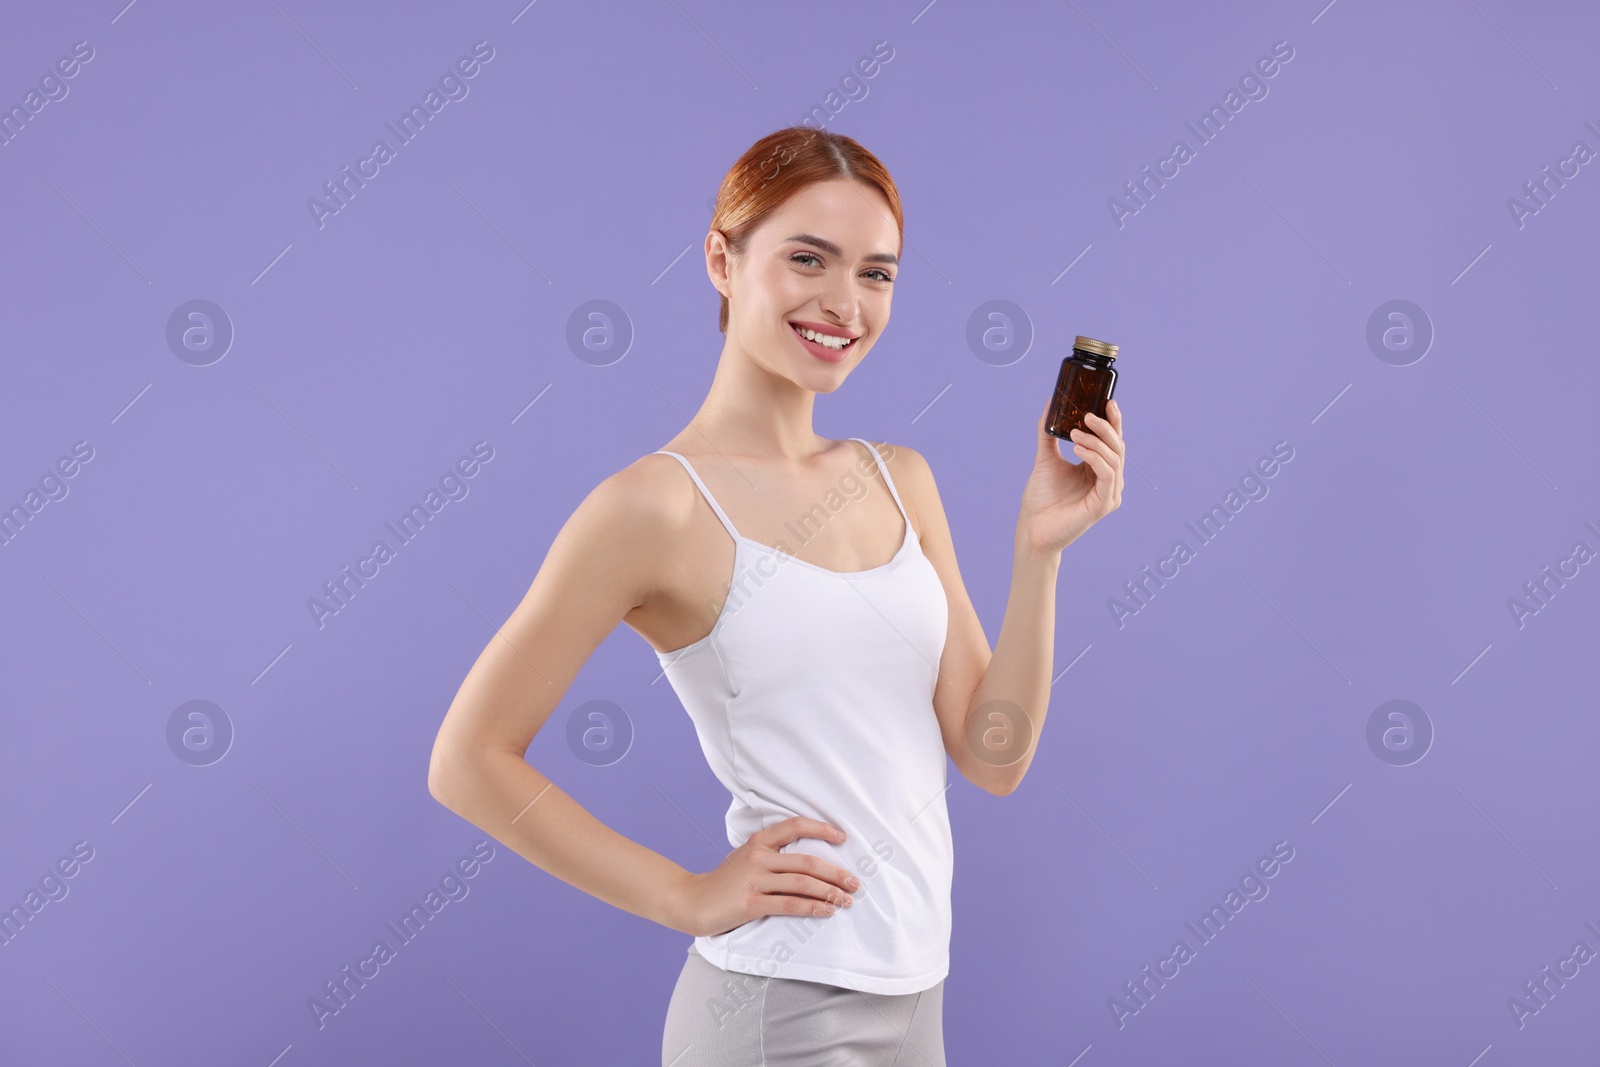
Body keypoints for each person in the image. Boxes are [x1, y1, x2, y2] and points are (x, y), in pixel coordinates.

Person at [427, 125, 1126, 1066]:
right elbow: (467, 760)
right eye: (808, 259)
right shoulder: (655, 507)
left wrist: (1039, 553)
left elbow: (992, 756)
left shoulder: (898, 476)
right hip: (777, 1015)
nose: (845, 302)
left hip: (919, 996)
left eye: (876, 273)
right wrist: (685, 894)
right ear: (722, 258)